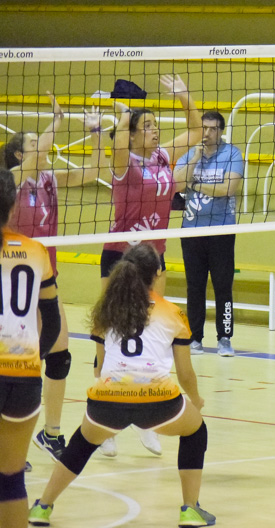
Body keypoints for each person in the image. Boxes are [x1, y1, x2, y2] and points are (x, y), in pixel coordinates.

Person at [28, 244, 214, 527]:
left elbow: (100, 367)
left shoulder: (107, 311)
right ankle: (190, 509)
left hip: (107, 400)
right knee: (196, 430)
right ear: (157, 274)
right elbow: (185, 373)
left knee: (82, 443)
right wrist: (196, 400)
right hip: (159, 402)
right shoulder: (173, 313)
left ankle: (43, 506)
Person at [97, 74, 203, 458]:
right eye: (149, 126)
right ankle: (106, 424)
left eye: (158, 125)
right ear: (134, 133)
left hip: (152, 258)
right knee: (108, 338)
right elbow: (120, 140)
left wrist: (183, 96)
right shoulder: (124, 163)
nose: (156, 131)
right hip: (120, 256)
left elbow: (194, 130)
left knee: (150, 335)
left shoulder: (162, 157)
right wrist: (123, 115)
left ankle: (148, 421)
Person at [2, 94, 106, 467]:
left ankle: (51, 432)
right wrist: (56, 121)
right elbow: (33, 158)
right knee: (12, 364)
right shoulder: (13, 179)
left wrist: (95, 133)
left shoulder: (50, 178)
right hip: (13, 283)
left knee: (59, 356)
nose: (42, 147)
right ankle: (9, 441)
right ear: (19, 155)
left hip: (48, 278)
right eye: (32, 144)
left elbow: (95, 171)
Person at [0, 168, 62, 528]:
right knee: (11, 478)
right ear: (12, 208)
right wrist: (32, 356)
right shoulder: (36, 252)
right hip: (25, 380)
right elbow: (51, 322)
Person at [173, 111, 244, 357]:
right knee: (195, 286)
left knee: (223, 286)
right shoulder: (190, 153)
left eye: (213, 129)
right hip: (192, 231)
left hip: (222, 230)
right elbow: (176, 183)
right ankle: (195, 338)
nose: (207, 133)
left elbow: (227, 188)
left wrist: (194, 185)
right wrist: (194, 159)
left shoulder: (232, 154)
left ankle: (225, 338)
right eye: (204, 128)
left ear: (221, 131)